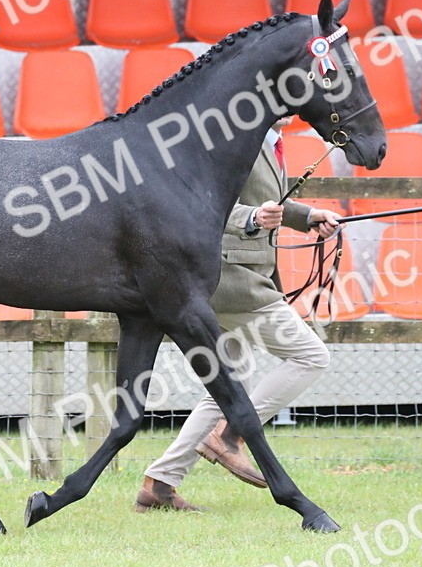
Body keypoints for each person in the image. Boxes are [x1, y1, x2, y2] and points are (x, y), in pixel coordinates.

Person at [135, 116, 342, 513]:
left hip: (242, 274)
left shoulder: (270, 140)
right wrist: (248, 219)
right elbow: (200, 203)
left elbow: (268, 203)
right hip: (233, 279)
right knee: (311, 356)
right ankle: (230, 435)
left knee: (230, 382)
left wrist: (307, 216)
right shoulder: (236, 138)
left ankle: (159, 483)